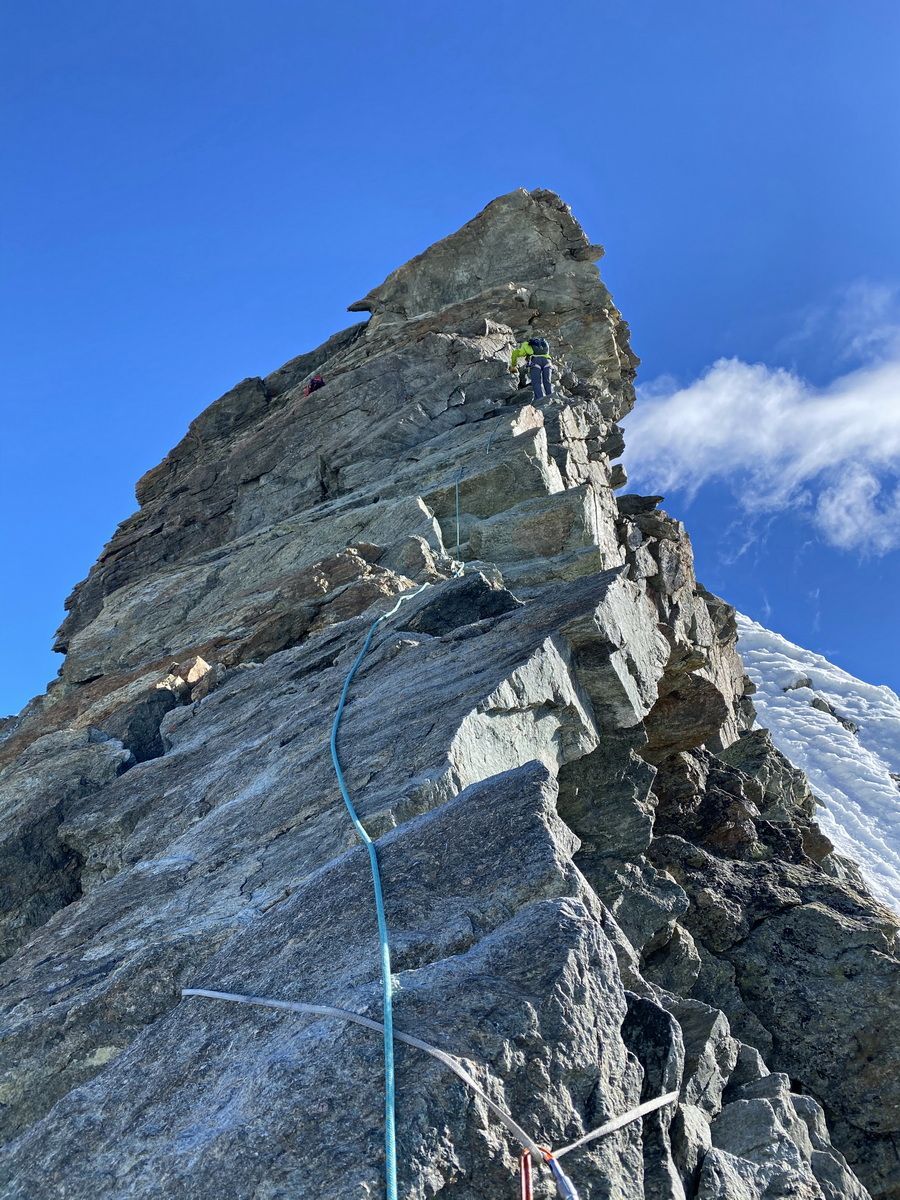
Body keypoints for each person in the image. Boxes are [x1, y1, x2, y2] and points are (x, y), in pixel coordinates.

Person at [510, 335, 553, 401]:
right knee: (547, 382)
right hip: (547, 362)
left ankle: (540, 400)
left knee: (536, 383)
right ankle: (551, 399)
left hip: (536, 362)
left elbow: (515, 353)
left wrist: (513, 365)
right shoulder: (543, 344)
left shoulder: (526, 344)